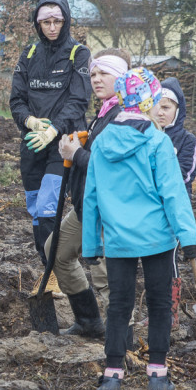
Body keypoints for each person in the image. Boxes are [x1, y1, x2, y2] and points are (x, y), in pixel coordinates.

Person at [82, 68, 196, 390]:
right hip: (157, 239)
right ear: (149, 100)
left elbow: (90, 197)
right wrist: (188, 237)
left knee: (119, 305)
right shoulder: (158, 142)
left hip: (118, 240)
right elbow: (173, 193)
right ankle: (158, 374)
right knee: (160, 304)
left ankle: (112, 374)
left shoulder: (101, 142)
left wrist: (91, 244)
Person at [9, 0, 92, 286]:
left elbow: (79, 101)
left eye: (57, 21)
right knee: (35, 211)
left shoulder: (78, 54)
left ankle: (55, 274)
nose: (52, 27)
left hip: (64, 145)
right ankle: (48, 270)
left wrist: (51, 130)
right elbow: (16, 99)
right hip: (32, 146)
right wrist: (30, 122)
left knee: (48, 209)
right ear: (38, 24)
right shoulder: (28, 55)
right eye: (46, 22)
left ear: (66, 20)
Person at [49, 48, 132, 337]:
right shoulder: (104, 111)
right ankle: (88, 321)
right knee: (55, 252)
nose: (96, 79)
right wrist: (80, 145)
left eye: (104, 73)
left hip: (110, 209)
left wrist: (78, 153)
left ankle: (121, 337)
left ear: (121, 78)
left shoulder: (124, 115)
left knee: (106, 275)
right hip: (87, 205)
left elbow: (112, 168)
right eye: (93, 73)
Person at [149, 77, 196, 329]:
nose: (160, 112)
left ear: (177, 111)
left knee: (167, 259)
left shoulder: (187, 141)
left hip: (171, 213)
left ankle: (170, 313)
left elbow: (182, 176)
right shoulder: (143, 135)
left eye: (166, 107)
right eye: (156, 105)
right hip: (144, 211)